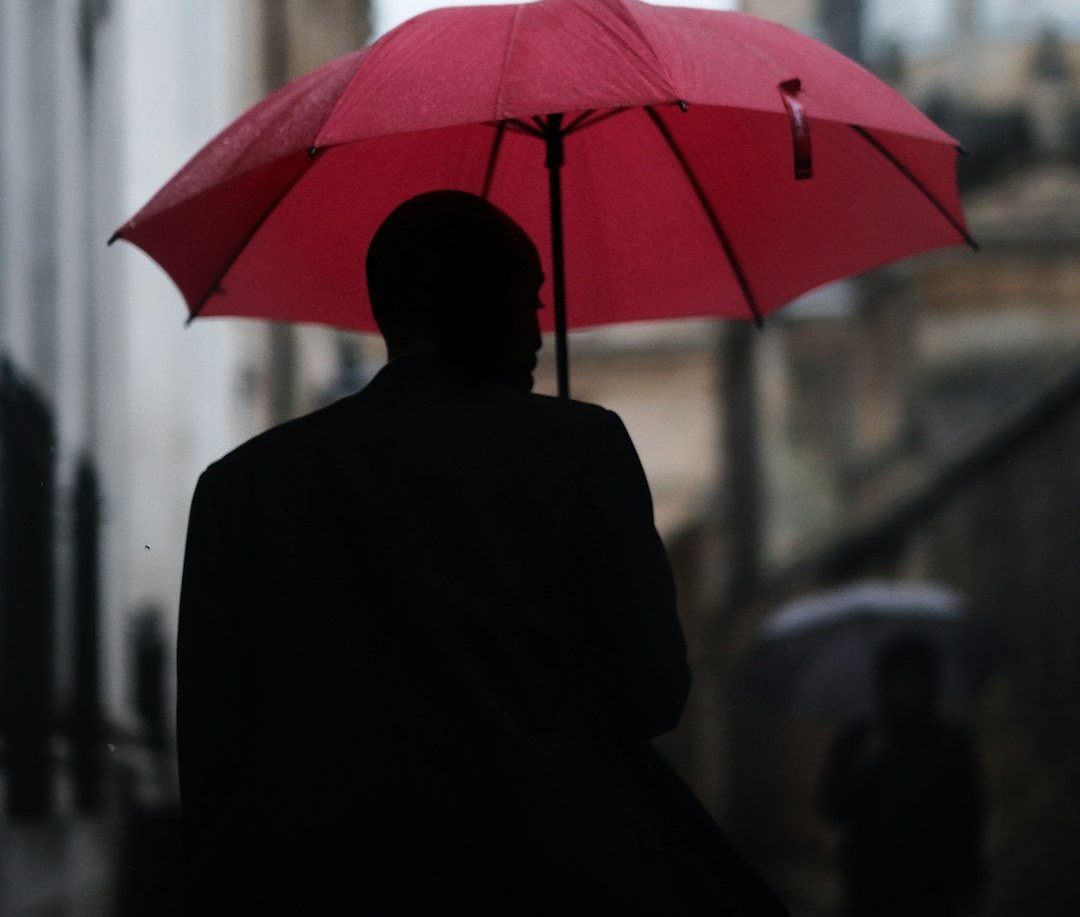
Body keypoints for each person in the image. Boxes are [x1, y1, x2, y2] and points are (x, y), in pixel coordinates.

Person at [177, 190, 789, 914]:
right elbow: (653, 692)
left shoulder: (242, 489)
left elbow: (213, 761)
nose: (538, 330)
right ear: (474, 305)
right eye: (527, 300)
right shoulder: (581, 451)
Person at [820, 631, 983, 917]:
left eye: (916, 678)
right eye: (899, 678)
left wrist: (968, 883)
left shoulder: (950, 742)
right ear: (885, 682)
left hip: (934, 889)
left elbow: (968, 815)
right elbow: (832, 805)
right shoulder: (860, 737)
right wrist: (864, 767)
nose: (907, 688)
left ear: (930, 682)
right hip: (870, 888)